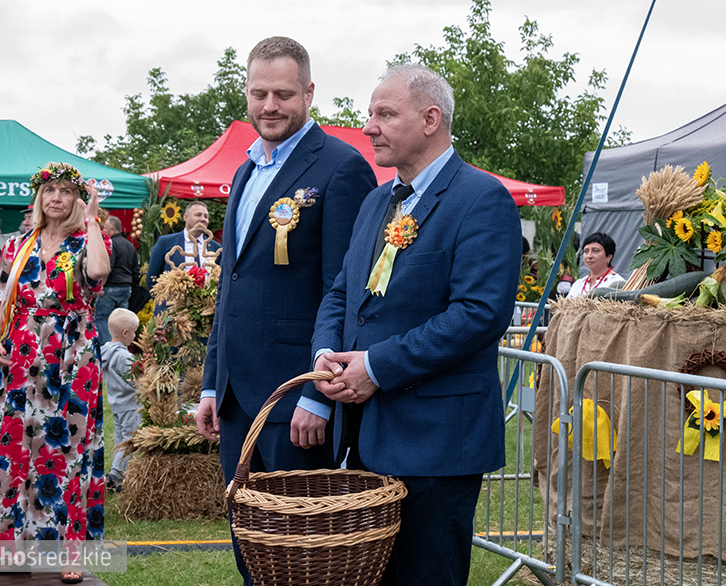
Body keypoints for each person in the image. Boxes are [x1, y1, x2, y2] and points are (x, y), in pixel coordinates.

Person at [311, 64, 522, 586]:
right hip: (363, 439)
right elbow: (342, 293)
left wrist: (376, 367)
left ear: (431, 119)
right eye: (369, 115)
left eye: (385, 114)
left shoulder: (482, 198)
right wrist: (324, 358)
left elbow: (479, 314)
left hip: (435, 446)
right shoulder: (375, 202)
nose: (368, 127)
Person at [195, 36, 376, 585]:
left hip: (296, 404)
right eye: (259, 93)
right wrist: (210, 384)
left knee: (303, 558)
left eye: (283, 94)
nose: (270, 106)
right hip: (235, 401)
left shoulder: (342, 168)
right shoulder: (248, 171)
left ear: (310, 93)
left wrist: (318, 395)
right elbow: (232, 287)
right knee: (252, 548)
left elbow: (342, 296)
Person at [0, 162, 111, 584]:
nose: (57, 197)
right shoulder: (18, 245)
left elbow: (99, 273)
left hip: (72, 359)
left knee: (67, 451)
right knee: (14, 449)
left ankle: (70, 552)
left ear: (75, 200)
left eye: (66, 191)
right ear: (39, 197)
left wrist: (91, 220)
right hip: (20, 359)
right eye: (50, 189)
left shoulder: (88, 239)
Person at [101, 308, 141, 493]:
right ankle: (117, 476)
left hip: (117, 404)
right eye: (134, 332)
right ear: (126, 333)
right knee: (130, 441)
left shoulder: (106, 352)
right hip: (131, 405)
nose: (135, 335)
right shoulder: (124, 356)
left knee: (120, 441)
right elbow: (136, 380)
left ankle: (116, 474)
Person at [145, 201, 220, 289]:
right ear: (186, 217)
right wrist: (162, 301)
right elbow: (152, 277)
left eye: (206, 216)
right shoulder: (166, 242)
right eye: (198, 215)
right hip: (174, 301)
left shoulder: (216, 248)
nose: (203, 219)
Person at [94, 216, 139, 346]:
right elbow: (136, 270)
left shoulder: (111, 244)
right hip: (126, 288)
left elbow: (108, 267)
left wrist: (100, 286)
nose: (104, 230)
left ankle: (108, 348)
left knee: (101, 317)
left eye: (106, 228)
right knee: (122, 322)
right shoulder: (130, 245)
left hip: (111, 287)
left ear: (113, 229)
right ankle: (121, 349)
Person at [566, 232, 624, 298]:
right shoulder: (578, 284)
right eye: (586, 251)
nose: (589, 256)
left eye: (595, 251)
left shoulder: (617, 284)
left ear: (609, 257)